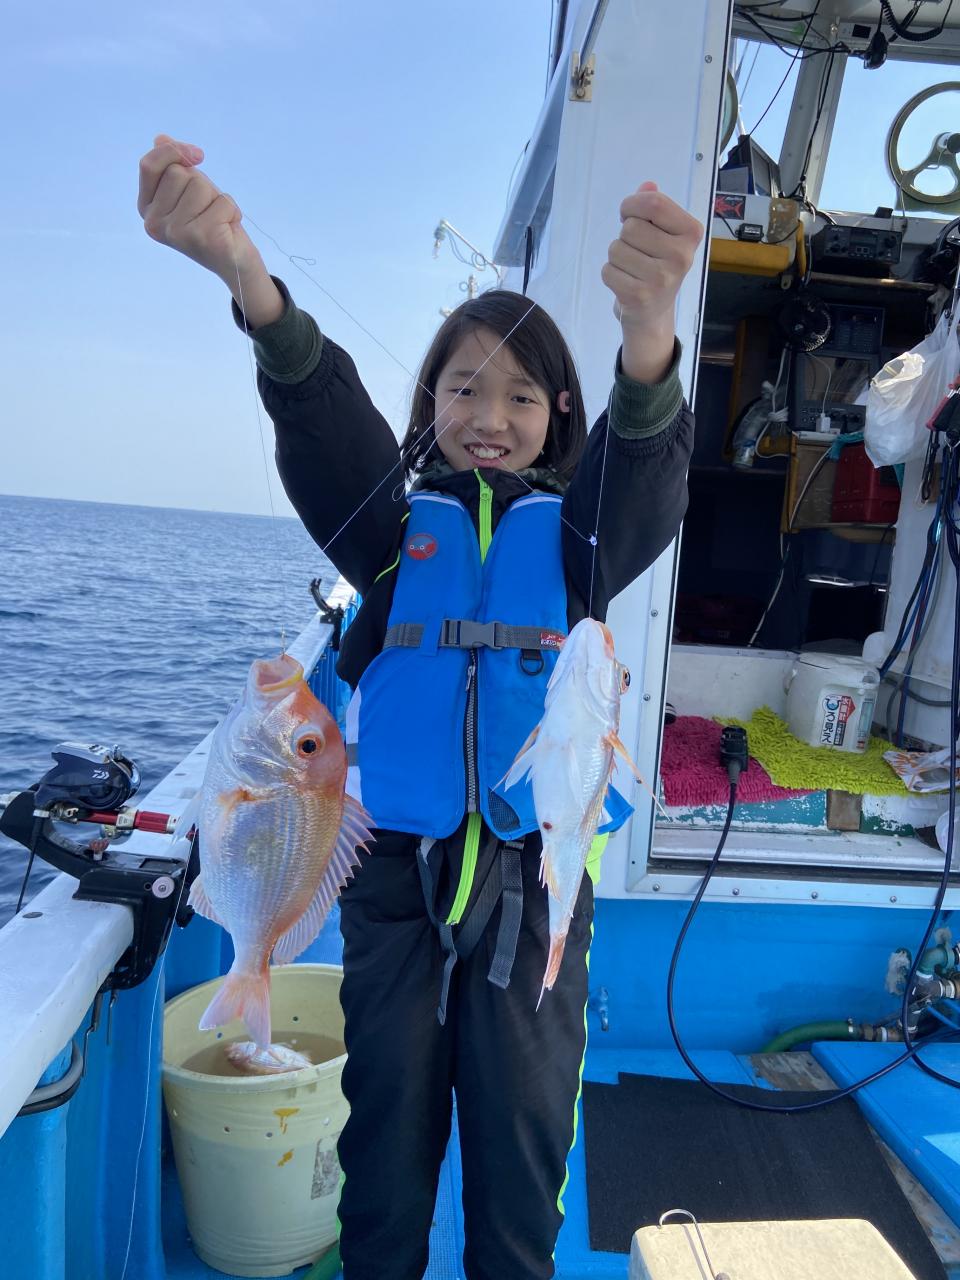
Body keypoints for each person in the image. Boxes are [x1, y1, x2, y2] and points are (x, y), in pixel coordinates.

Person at [138, 134, 703, 1279]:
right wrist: (250, 279)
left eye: (519, 394)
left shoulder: (582, 545)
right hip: (394, 890)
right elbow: (322, 422)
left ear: (559, 414)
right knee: (384, 1168)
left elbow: (643, 476)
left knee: (522, 1173)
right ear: (428, 404)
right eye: (461, 388)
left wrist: (650, 334)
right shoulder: (396, 540)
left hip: (533, 900)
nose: (488, 413)